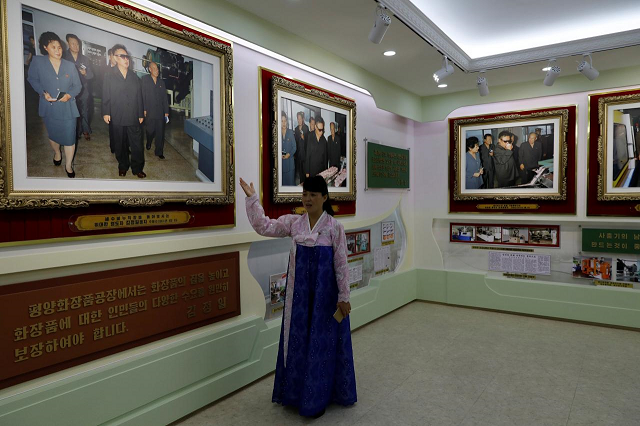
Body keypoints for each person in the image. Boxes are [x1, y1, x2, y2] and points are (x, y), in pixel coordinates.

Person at [240, 175, 357, 418]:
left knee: (322, 346)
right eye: (305, 194)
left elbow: (341, 264)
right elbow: (264, 226)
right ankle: (295, 394)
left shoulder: (334, 228)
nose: (308, 199)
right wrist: (253, 199)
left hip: (325, 300)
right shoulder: (294, 224)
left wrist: (344, 296)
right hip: (300, 300)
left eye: (313, 195)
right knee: (299, 343)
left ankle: (318, 398)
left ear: (324, 197)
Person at [27, 31, 82, 178]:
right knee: (53, 135)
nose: (58, 50)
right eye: (53, 47)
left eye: (59, 47)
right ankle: (57, 153)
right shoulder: (38, 62)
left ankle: (69, 165)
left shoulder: (70, 66)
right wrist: (42, 92)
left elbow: (77, 86)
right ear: (45, 47)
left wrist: (69, 95)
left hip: (68, 107)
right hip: (49, 107)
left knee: (70, 137)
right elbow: (32, 79)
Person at [102, 44, 145, 178]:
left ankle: (137, 168)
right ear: (115, 58)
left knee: (137, 144)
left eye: (127, 56)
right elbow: (106, 94)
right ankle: (123, 165)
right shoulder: (109, 75)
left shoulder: (134, 76)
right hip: (117, 114)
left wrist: (140, 113)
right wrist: (106, 112)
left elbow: (139, 96)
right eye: (122, 56)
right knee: (120, 144)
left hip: (133, 115)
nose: (126, 59)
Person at [63, 34, 94, 141]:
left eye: (77, 44)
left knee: (85, 110)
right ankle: (75, 131)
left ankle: (85, 130)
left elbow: (91, 75)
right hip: (70, 89)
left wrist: (85, 73)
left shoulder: (85, 59)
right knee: (72, 111)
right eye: (73, 43)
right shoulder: (64, 57)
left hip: (84, 89)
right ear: (68, 44)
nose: (76, 46)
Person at [141, 61, 169, 159]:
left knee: (160, 132)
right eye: (155, 68)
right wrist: (143, 109)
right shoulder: (144, 80)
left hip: (160, 111)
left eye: (157, 69)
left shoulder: (162, 82)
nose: (157, 70)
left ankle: (159, 151)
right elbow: (142, 95)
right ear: (150, 69)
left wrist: (166, 112)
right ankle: (149, 141)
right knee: (150, 130)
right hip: (149, 110)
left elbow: (165, 98)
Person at [280, 111, 297, 186]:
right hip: (281, 165)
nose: (284, 123)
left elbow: (294, 147)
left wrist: (289, 154)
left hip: (290, 165)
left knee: (290, 185)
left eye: (285, 121)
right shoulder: (277, 133)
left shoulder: (290, 132)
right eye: (282, 121)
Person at [294, 112, 309, 183]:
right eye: (298, 119)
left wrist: (304, 138)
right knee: (300, 172)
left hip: (305, 154)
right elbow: (295, 142)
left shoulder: (306, 128)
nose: (299, 120)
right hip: (298, 154)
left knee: (304, 172)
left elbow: (308, 142)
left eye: (300, 119)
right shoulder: (296, 129)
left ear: (303, 119)